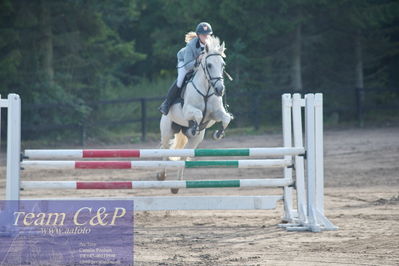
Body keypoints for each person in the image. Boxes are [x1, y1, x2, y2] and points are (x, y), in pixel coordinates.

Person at [158, 22, 213, 115]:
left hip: (199, 64)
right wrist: (197, 61)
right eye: (204, 35)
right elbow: (188, 65)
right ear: (198, 35)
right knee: (180, 80)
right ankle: (166, 104)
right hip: (185, 61)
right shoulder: (191, 45)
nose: (206, 37)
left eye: (208, 34)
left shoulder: (211, 43)